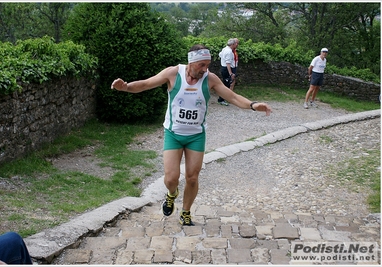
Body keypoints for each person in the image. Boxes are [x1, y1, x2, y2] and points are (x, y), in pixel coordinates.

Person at [111, 44, 272, 226]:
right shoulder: (173, 73)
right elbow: (146, 84)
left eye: (208, 65)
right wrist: (125, 87)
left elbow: (232, 97)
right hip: (173, 134)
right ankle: (172, 194)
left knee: (192, 177)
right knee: (171, 178)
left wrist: (253, 105)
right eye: (201, 65)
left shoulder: (210, 79)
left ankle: (186, 212)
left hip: (196, 136)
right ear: (191, 62)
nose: (205, 69)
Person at [217, 38, 238, 106]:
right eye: (235, 44)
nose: (236, 45)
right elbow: (228, 63)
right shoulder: (229, 52)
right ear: (232, 44)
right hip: (226, 69)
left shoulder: (224, 49)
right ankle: (221, 100)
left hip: (224, 68)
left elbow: (220, 54)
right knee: (226, 85)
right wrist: (230, 73)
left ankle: (223, 99)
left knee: (226, 84)